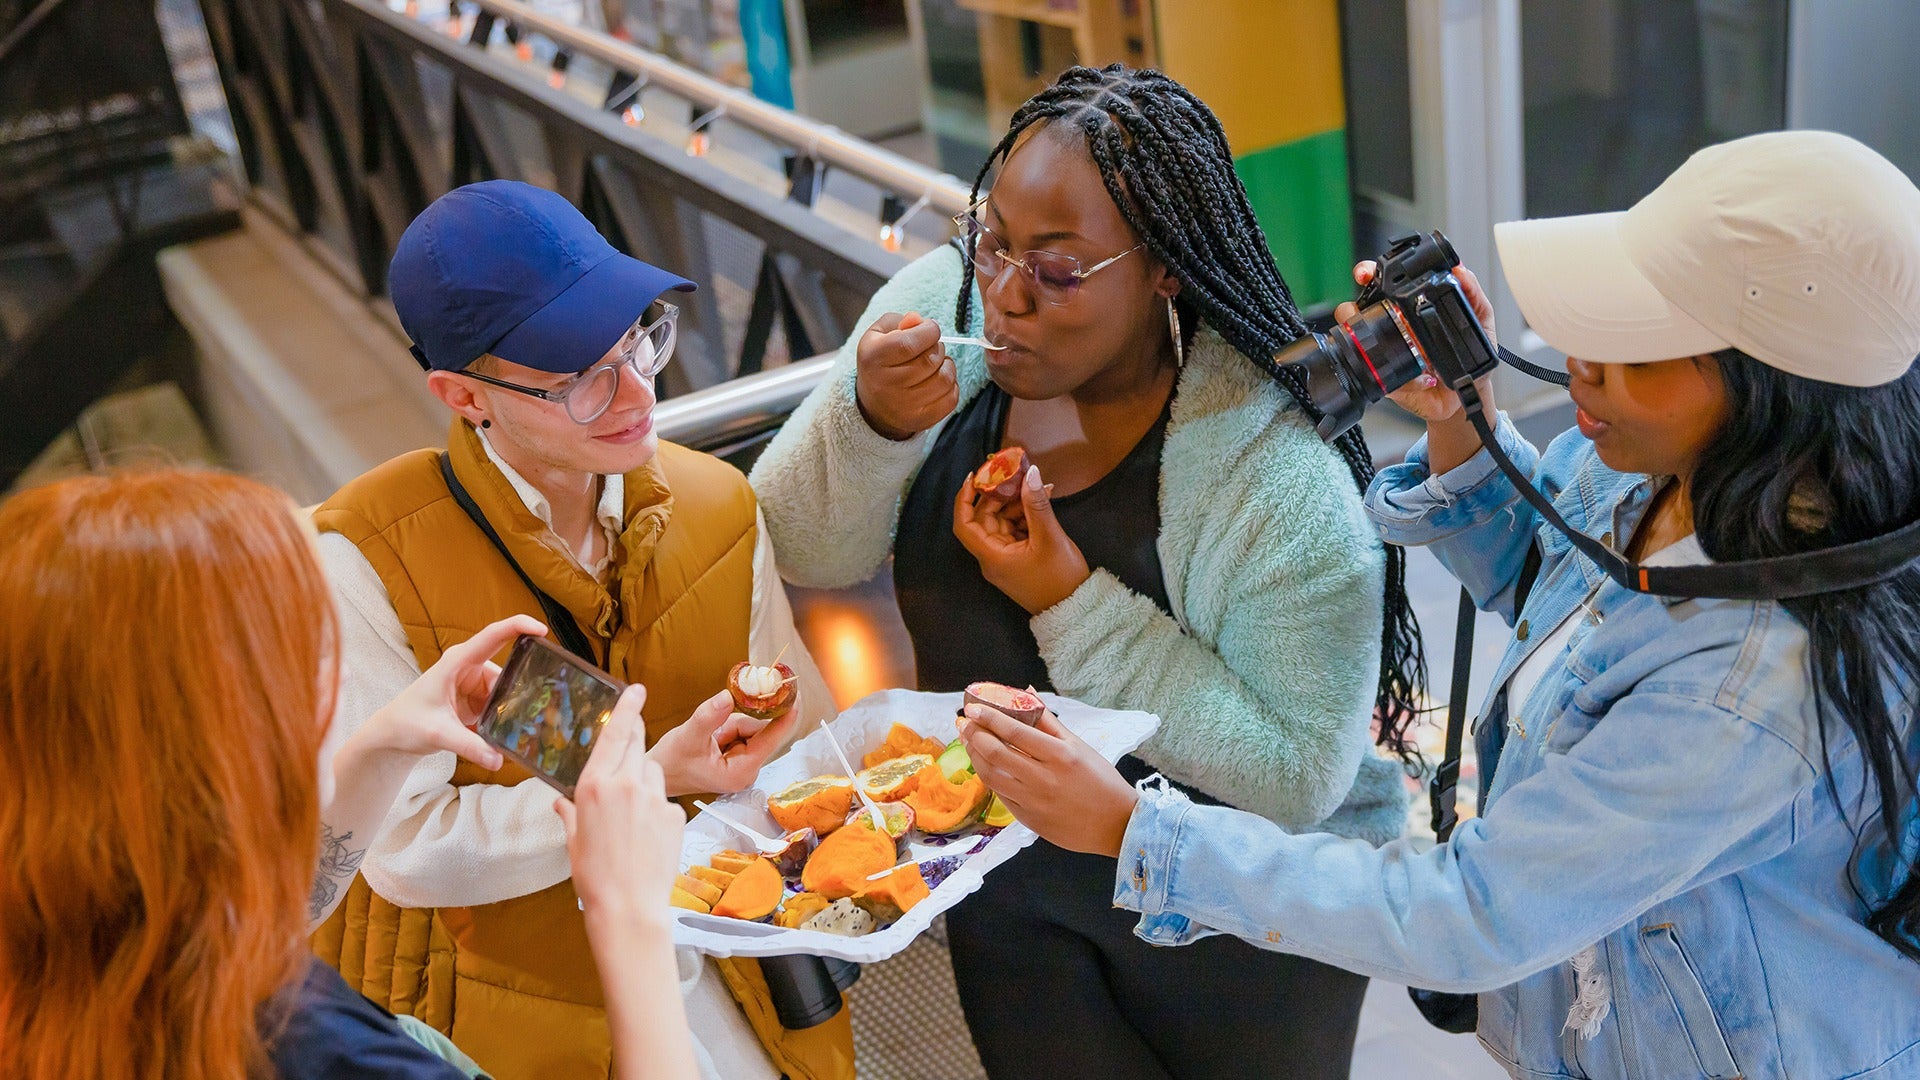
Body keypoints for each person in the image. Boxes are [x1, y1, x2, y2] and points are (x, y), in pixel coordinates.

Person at [957, 129, 1920, 1079]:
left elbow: (1476, 915)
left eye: (1641, 347)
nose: (1583, 363)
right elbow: (1559, 595)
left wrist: (1132, 830)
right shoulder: (1667, 464)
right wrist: (1463, 426)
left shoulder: (1753, 687)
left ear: (1774, 390)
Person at [751, 65, 1422, 1079]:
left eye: (1058, 272)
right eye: (995, 243)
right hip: (1007, 895)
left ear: (1161, 268)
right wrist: (876, 421)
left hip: (1231, 923)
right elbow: (805, 544)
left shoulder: (1269, 474)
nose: (1007, 297)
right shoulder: (946, 307)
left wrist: (1066, 600)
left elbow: (1296, 776)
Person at [308, 180, 847, 1080]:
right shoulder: (365, 558)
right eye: (581, 379)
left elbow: (800, 732)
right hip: (512, 1008)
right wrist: (651, 780)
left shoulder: (719, 504)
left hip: (744, 971)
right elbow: (400, 848)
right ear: (462, 393)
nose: (636, 392)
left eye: (638, 338)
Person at [0, 469, 695, 1080]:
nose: (333, 676)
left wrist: (383, 750)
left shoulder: (70, 931)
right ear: (227, 734)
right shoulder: (323, 1053)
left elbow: (245, 919)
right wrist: (628, 915)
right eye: (307, 645)